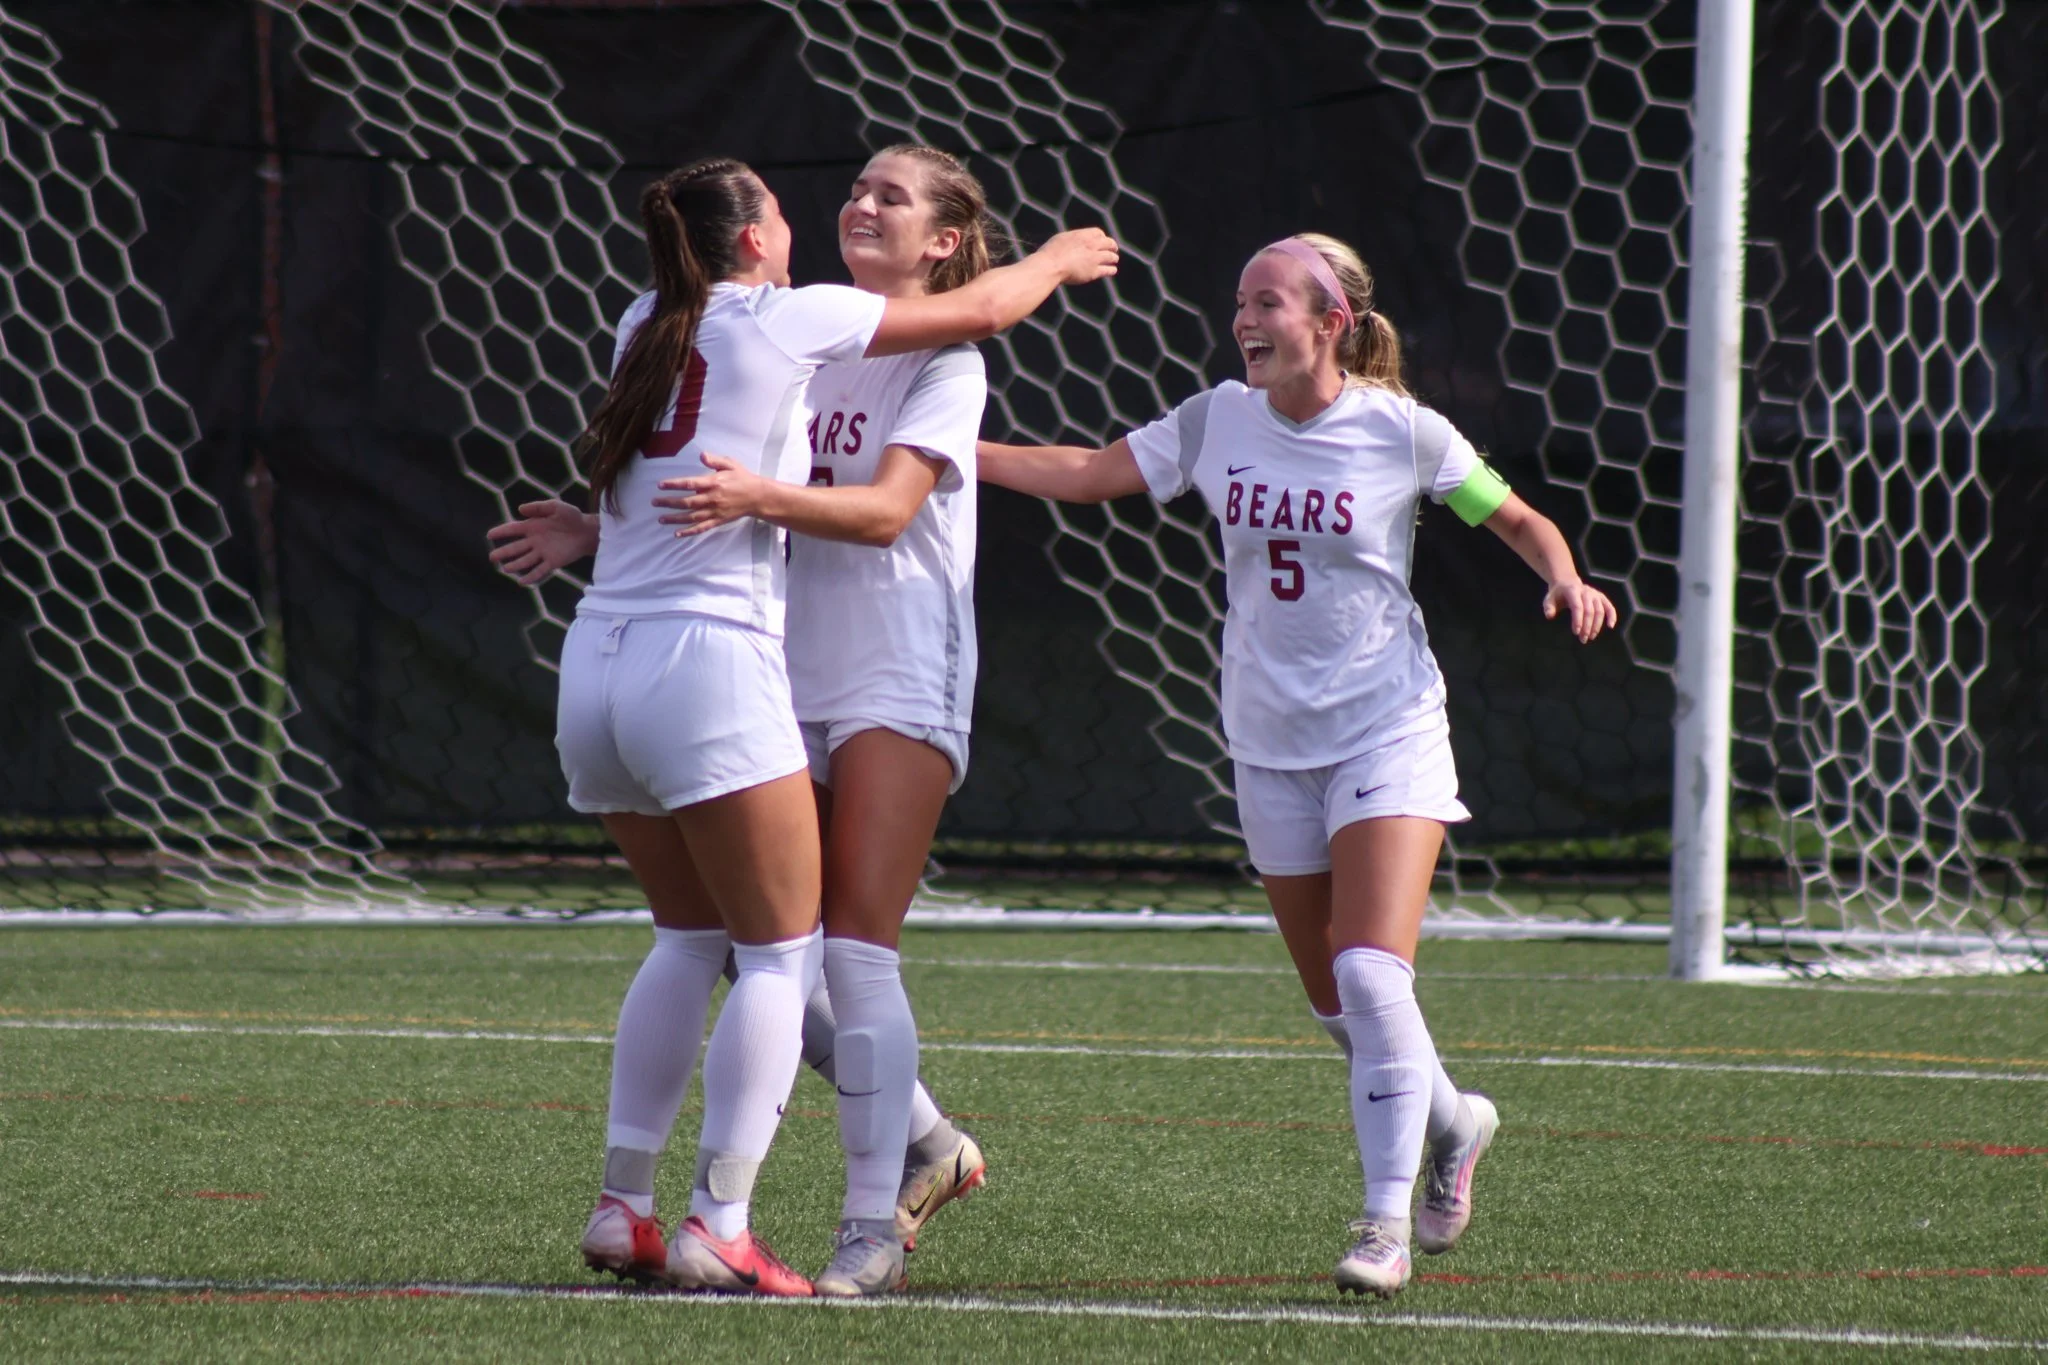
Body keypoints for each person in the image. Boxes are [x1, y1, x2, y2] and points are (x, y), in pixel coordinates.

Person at [973, 233, 1616, 1299]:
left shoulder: (1402, 433)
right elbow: (1090, 475)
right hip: (1266, 743)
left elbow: (1511, 515)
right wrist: (964, 453)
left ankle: (1381, 1225)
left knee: (1370, 973)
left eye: (1266, 301)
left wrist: (1563, 575)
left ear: (1332, 324)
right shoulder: (1216, 419)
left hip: (1386, 727)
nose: (1244, 319)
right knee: (1335, 1004)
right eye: (1238, 301)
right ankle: (1453, 1122)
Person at [518, 155, 1114, 1297]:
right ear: (753, 241)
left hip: (887, 668)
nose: (856, 203)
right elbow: (708, 482)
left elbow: (884, 513)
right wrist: (1055, 259)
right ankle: (849, 1173)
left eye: (891, 195)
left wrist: (707, 509)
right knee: (763, 950)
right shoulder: (799, 325)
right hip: (753, 670)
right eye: (846, 191)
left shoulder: (924, 354)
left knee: (834, 949)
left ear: (944, 240)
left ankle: (864, 1226)